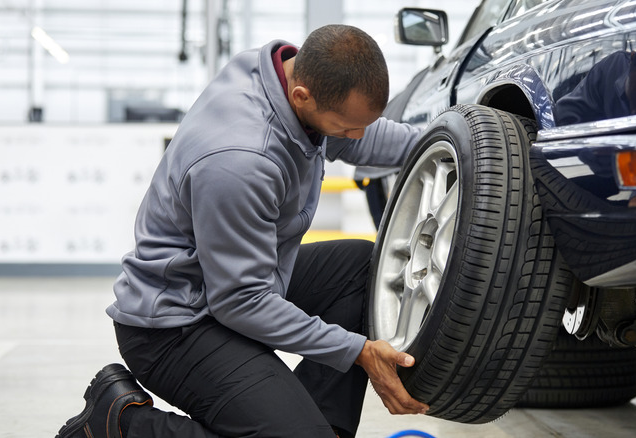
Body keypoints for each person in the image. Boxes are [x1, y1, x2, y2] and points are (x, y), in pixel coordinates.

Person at [56, 24, 428, 438]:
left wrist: (473, 143)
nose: (354, 138)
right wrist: (357, 350)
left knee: (360, 269)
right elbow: (241, 301)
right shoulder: (240, 160)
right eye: (344, 128)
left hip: (235, 285)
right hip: (177, 324)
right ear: (302, 96)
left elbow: (368, 136)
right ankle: (123, 424)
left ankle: (323, 427)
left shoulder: (283, 76)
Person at [555, 39, 636, 125]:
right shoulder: (611, 70)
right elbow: (564, 115)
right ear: (631, 62)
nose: (635, 113)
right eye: (635, 99)